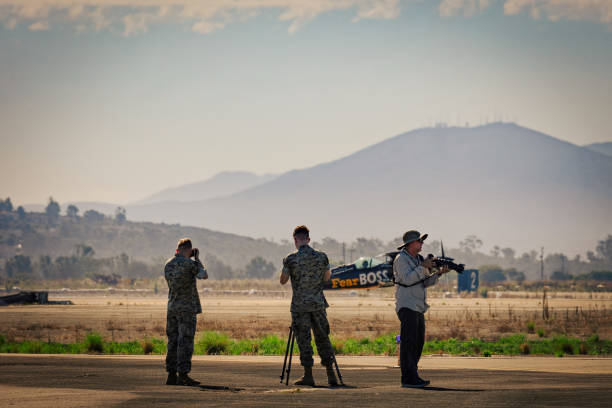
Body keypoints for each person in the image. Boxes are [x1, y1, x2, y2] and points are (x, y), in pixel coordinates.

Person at [280, 225, 337, 386]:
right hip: (318, 304)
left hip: (300, 307)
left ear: (295, 240)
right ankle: (331, 374)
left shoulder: (290, 259)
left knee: (304, 340)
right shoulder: (322, 257)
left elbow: (283, 281)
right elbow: (327, 278)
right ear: (309, 239)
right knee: (323, 338)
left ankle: (308, 375)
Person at [394, 230, 449, 388]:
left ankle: (413, 375)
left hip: (418, 306)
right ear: (410, 244)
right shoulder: (401, 259)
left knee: (418, 342)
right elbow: (408, 279)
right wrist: (423, 267)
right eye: (419, 241)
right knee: (409, 343)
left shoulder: (418, 259)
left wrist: (438, 274)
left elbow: (425, 282)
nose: (422, 243)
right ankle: (408, 378)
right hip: (407, 305)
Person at [164, 238, 208, 386]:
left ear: (177, 250)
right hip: (187, 308)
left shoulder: (168, 265)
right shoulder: (190, 264)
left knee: (173, 341)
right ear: (189, 250)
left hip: (172, 307)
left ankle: (171, 374)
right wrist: (197, 259)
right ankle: (183, 374)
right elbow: (203, 275)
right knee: (185, 341)